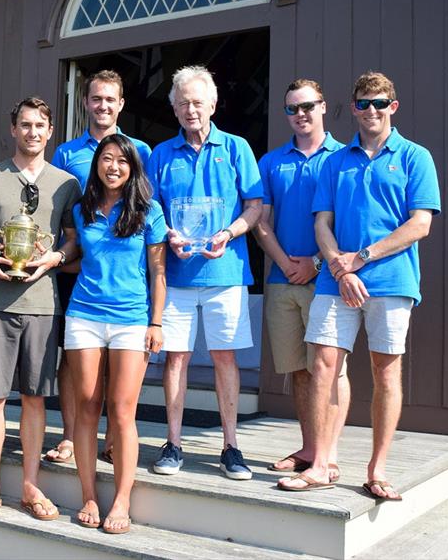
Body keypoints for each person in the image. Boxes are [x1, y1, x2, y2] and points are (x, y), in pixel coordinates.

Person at [278, 72, 441, 497]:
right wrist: (342, 269)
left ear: (394, 107)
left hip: (391, 281)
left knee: (385, 374)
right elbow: (322, 224)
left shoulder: (414, 156)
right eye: (364, 103)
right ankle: (322, 464)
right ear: (352, 108)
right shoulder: (335, 161)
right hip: (337, 282)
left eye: (380, 103)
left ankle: (377, 469)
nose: (372, 110)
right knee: (323, 367)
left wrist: (363, 258)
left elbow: (420, 224)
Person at [0, 96, 82, 520]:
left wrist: (55, 259)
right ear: (13, 129)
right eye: (24, 124)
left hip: (43, 305)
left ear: (50, 132)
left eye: (39, 125)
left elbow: (72, 238)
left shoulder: (66, 183)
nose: (32, 132)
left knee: (34, 398)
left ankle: (30, 485)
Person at [147, 65, 263, 479]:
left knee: (224, 358)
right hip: (176, 275)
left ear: (212, 104)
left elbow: (255, 204)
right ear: (174, 109)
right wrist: (169, 234)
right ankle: (174, 443)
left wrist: (229, 233)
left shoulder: (236, 148)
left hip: (226, 272)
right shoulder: (161, 154)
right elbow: (151, 207)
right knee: (174, 360)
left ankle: (231, 446)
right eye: (182, 103)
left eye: (197, 102)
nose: (190, 110)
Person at [49, 69, 151, 465]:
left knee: (117, 360)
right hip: (78, 269)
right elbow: (60, 215)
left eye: (110, 99)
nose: (103, 105)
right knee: (73, 358)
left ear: (120, 104)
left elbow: (144, 207)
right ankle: (72, 436)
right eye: (96, 98)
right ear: (86, 102)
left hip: (123, 278)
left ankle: (113, 436)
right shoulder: (67, 152)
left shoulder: (138, 148)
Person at [67, 134, 166, 534]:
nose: (113, 167)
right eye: (106, 159)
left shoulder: (149, 211)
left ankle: (122, 499)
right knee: (87, 407)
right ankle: (89, 495)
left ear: (132, 168)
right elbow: (72, 255)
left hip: (130, 319)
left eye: (121, 161)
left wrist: (156, 322)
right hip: (84, 316)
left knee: (122, 411)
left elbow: (159, 272)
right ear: (97, 165)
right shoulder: (81, 209)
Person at [254, 79, 348, 483]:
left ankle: (329, 456)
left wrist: (313, 263)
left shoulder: (345, 157)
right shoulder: (273, 161)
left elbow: (348, 222)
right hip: (281, 280)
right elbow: (261, 222)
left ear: (323, 106)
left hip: (328, 279)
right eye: (293, 108)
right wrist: (287, 265)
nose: (301, 114)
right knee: (298, 370)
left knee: (332, 369)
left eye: (308, 106)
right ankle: (310, 448)